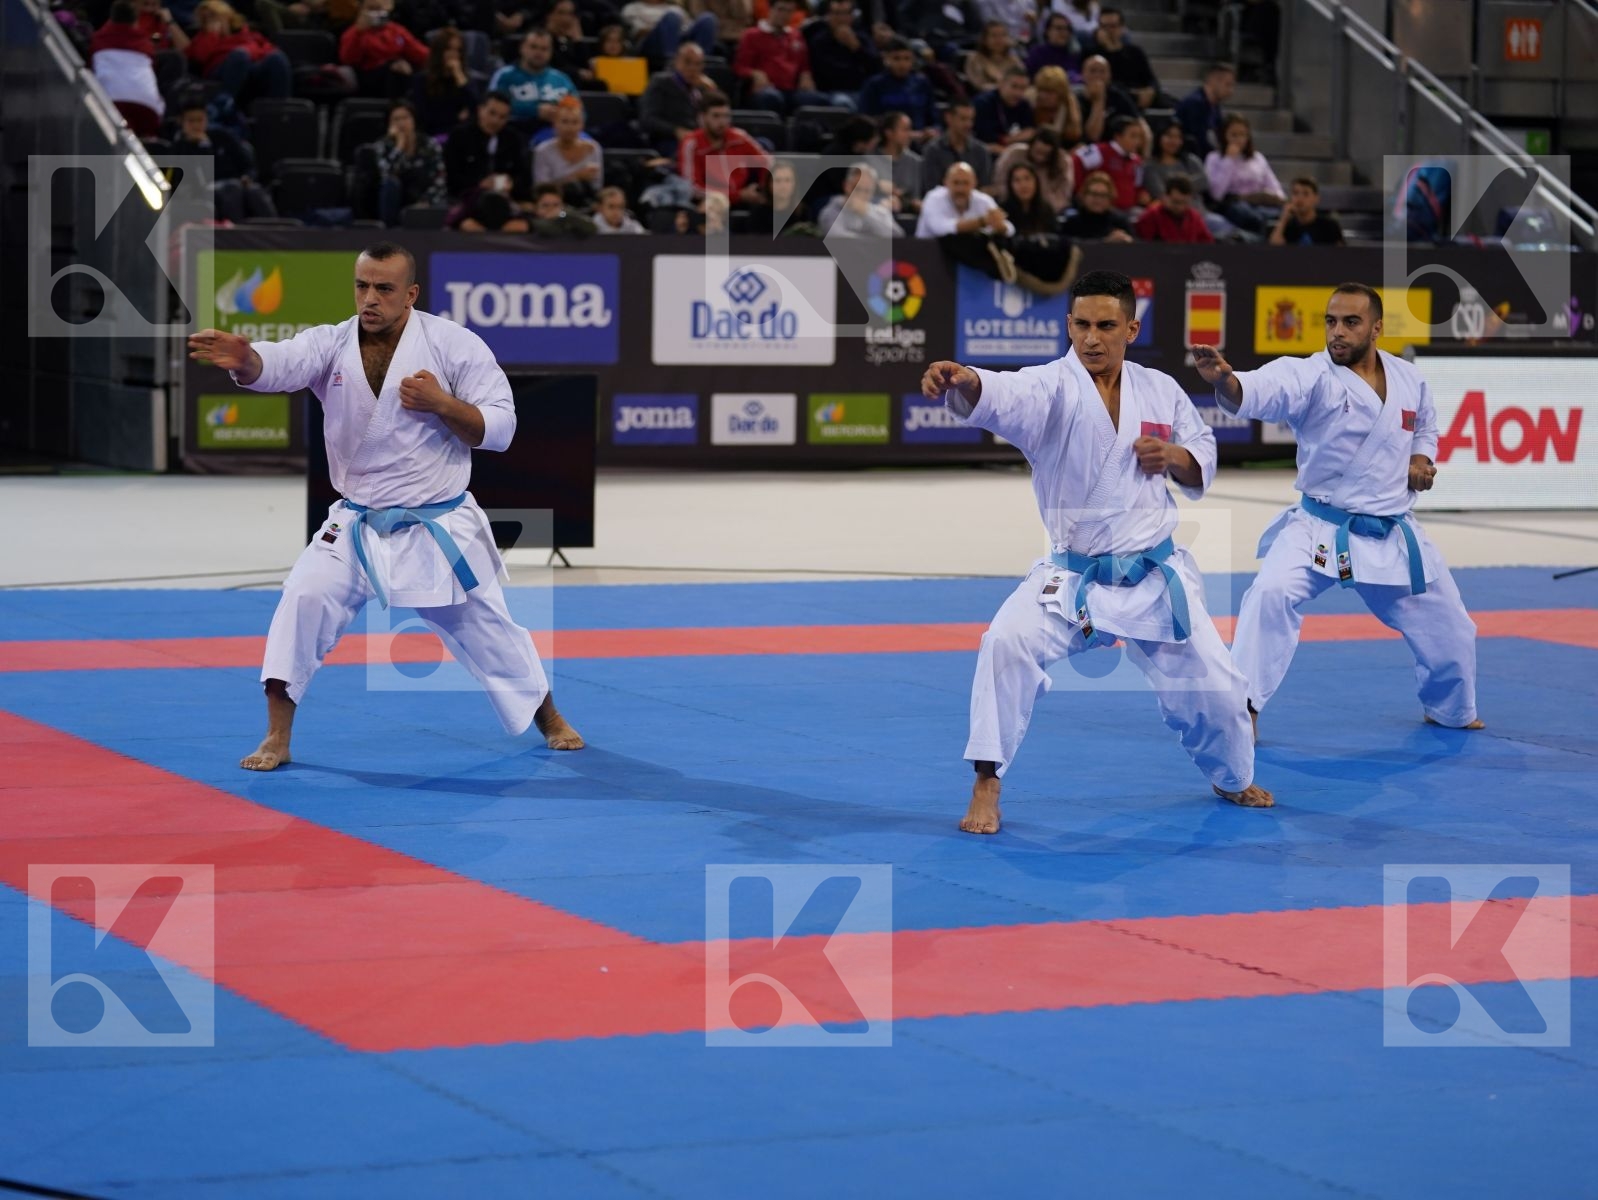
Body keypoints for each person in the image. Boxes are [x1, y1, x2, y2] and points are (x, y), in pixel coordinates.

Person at [186, 244, 584, 773]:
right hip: (355, 522)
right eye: (362, 286)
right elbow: (280, 363)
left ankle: (550, 718)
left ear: (410, 293)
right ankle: (277, 736)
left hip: (434, 524)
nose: (369, 298)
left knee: (488, 627)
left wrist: (443, 404)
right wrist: (247, 360)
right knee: (302, 601)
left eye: (384, 288)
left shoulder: (452, 344)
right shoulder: (331, 343)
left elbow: (502, 428)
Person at [921, 269, 1273, 834]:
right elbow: (1005, 394)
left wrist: (1174, 457)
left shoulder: (1160, 389)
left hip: (1153, 577)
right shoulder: (1051, 387)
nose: (1091, 338)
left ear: (1131, 329)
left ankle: (1231, 777)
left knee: (1221, 689)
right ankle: (987, 781)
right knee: (1005, 643)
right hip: (1076, 578)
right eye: (1081, 325)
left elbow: (1201, 451)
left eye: (1106, 326)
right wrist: (966, 380)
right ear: (1068, 325)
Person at [1194, 283, 1482, 738]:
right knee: (1270, 594)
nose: (1337, 332)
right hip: (1321, 528)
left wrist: (1420, 459)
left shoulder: (1409, 379)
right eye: (1331, 322)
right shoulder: (1312, 376)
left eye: (1351, 322)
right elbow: (1263, 388)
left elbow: (1425, 426)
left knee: (1453, 628)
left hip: (1391, 532)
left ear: (1377, 328)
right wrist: (1227, 382)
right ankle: (1241, 709)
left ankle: (1449, 707)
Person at [171, 99, 277, 221]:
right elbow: (187, 179)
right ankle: (235, 230)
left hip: (236, 183)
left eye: (200, 120)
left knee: (254, 191)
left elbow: (247, 164)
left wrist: (247, 177)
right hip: (202, 190)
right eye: (191, 121)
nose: (196, 125)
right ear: (182, 122)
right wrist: (203, 147)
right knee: (231, 189)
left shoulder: (222, 136)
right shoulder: (179, 147)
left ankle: (275, 227)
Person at [916, 161, 1017, 283]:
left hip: (970, 267)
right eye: (956, 183)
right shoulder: (933, 198)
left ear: (974, 183)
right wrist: (982, 222)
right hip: (930, 259)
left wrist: (1000, 226)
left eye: (965, 183)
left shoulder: (983, 200)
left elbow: (1009, 229)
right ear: (945, 182)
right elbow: (941, 228)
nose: (960, 189)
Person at [677, 90, 771, 207]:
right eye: (716, 116)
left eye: (726, 116)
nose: (722, 122)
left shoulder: (739, 137)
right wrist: (737, 196)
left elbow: (767, 162)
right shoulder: (691, 143)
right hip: (710, 204)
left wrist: (762, 189)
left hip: (744, 198)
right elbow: (692, 188)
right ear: (703, 117)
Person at [187, 0, 291, 104]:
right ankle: (224, 104)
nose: (212, 21)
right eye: (206, 19)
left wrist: (249, 51)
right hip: (221, 69)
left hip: (250, 66)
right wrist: (212, 35)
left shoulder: (246, 34)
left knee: (277, 57)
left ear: (226, 16)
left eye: (214, 16)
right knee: (239, 55)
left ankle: (279, 107)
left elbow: (266, 48)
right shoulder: (202, 38)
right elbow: (200, 57)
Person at [734, 0, 827, 113]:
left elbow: (804, 66)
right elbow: (740, 67)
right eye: (781, 10)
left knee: (819, 100)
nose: (784, 15)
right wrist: (754, 74)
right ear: (770, 10)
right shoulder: (751, 35)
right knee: (771, 98)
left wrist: (806, 75)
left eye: (789, 11)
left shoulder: (796, 36)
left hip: (792, 90)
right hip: (765, 89)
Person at [443, 91, 532, 203]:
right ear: (480, 110)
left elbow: (524, 176)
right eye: (492, 113)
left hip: (505, 200)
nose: (495, 121)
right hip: (465, 200)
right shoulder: (459, 136)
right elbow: (451, 176)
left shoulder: (513, 139)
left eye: (502, 117)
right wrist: (479, 184)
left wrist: (512, 183)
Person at [1204, 113, 1284, 235]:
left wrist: (1276, 198)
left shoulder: (1257, 158)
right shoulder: (1214, 158)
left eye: (1242, 135)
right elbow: (1216, 194)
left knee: (1281, 215)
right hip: (1233, 203)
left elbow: (1275, 187)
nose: (1239, 140)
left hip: (1259, 202)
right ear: (1224, 136)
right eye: (1234, 135)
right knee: (1249, 216)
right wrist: (1229, 160)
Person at [371, 98, 448, 225]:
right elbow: (387, 176)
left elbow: (439, 180)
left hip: (425, 201)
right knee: (390, 184)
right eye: (396, 119)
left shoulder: (429, 145)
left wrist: (425, 201)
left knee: (442, 204)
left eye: (405, 117)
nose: (401, 123)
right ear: (389, 124)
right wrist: (399, 147)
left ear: (414, 120)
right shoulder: (382, 146)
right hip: (395, 204)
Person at [488, 28, 577, 134]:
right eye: (533, 47)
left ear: (551, 52)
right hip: (515, 132)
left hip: (558, 134)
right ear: (522, 48)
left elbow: (580, 112)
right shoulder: (505, 75)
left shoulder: (562, 79)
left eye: (544, 49)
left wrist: (560, 114)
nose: (538, 53)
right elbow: (493, 107)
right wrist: (535, 110)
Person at [339, 0, 428, 99]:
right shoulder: (354, 33)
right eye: (371, 9)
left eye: (380, 9)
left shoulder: (396, 30)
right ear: (361, 10)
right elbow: (348, 59)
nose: (377, 13)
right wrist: (359, 32)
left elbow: (419, 52)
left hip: (397, 76)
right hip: (366, 77)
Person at [638, 42, 708, 156]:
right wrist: (676, 131)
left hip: (699, 142)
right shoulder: (661, 83)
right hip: (668, 142)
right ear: (677, 61)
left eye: (698, 64)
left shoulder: (703, 87)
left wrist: (713, 91)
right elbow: (648, 120)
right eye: (687, 62)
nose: (692, 68)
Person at [857, 37, 937, 135]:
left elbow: (934, 119)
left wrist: (931, 131)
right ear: (886, 58)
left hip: (920, 139)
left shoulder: (922, 83)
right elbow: (865, 119)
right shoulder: (874, 85)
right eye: (896, 58)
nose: (902, 64)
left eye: (907, 58)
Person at [532, 95, 603, 204]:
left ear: (582, 125)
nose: (570, 127)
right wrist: (576, 176)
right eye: (565, 121)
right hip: (554, 207)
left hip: (585, 206)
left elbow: (597, 187)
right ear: (555, 124)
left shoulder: (593, 148)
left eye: (575, 122)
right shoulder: (543, 151)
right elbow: (542, 190)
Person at [806, 0, 879, 103]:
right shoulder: (818, 41)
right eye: (836, 13)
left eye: (845, 13)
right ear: (828, 16)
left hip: (861, 90)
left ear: (852, 16)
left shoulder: (862, 38)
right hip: (830, 92)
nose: (841, 18)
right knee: (843, 102)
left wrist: (856, 47)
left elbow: (876, 66)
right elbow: (823, 72)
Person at [412, 28, 477, 138]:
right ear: (439, 52)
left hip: (460, 137)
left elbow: (475, 111)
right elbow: (424, 117)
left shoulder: (463, 80)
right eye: (449, 49)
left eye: (458, 50)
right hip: (432, 137)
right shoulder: (422, 80)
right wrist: (456, 117)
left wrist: (458, 74)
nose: (454, 55)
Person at [1071, 113, 1145, 210]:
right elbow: (1076, 162)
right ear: (1118, 136)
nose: (1137, 142)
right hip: (1101, 210)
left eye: (1139, 137)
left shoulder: (1137, 161)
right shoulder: (1099, 151)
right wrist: (1080, 192)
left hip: (1128, 211)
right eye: (1133, 136)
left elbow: (1138, 186)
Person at [1090, 6, 1158, 108]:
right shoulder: (1092, 54)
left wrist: (1150, 90)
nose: (1108, 31)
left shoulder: (1135, 52)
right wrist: (1109, 47)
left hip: (1141, 96)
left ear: (1121, 28)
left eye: (1113, 26)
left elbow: (1151, 79)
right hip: (1114, 100)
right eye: (1104, 27)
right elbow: (1107, 82)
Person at [919, 98, 993, 192]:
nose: (968, 124)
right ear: (948, 118)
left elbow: (984, 187)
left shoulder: (981, 151)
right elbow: (931, 189)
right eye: (963, 119)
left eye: (971, 119)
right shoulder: (933, 150)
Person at [993, 128, 1074, 212]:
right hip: (1012, 206)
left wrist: (1042, 208)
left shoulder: (1062, 162)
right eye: (1038, 152)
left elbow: (1063, 195)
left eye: (1046, 154)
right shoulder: (1014, 154)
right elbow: (1000, 183)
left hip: (1048, 210)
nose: (1040, 158)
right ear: (1030, 146)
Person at [1075, 53, 1139, 143]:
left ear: (1109, 75)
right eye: (1092, 71)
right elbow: (1093, 136)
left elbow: (1140, 125)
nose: (1097, 76)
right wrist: (1099, 100)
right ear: (1083, 74)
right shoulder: (1075, 99)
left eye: (1102, 71)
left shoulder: (1119, 96)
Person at [973, 64, 1036, 152]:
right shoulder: (983, 103)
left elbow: (1030, 132)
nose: (1018, 93)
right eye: (1014, 86)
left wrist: (1007, 140)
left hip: (1011, 150)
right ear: (1001, 83)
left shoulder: (1023, 104)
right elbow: (985, 139)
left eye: (1023, 88)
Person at [1175, 62, 1234, 157]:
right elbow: (1197, 141)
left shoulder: (1215, 106)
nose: (1231, 91)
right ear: (1213, 81)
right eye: (1228, 85)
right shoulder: (1194, 103)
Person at [1132, 173, 1211, 242]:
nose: (1180, 207)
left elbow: (1207, 243)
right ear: (1165, 197)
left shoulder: (1194, 217)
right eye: (1176, 202)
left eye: (1185, 203)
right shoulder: (1151, 216)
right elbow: (1142, 246)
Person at [1060, 169, 1133, 241]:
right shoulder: (1072, 223)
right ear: (1084, 195)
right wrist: (1106, 242)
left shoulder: (1120, 222)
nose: (1098, 199)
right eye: (1094, 194)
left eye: (1103, 195)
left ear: (1110, 198)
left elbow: (1135, 243)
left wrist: (1127, 241)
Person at [1269, 176, 1345, 245]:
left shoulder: (1329, 226)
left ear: (1316, 198)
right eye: (1295, 193)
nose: (1300, 198)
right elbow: (1275, 249)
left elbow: (1340, 252)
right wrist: (1284, 219)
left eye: (1306, 194)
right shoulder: (1287, 226)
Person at [877, 111, 924, 213]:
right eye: (905, 130)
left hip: (907, 215)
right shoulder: (870, 160)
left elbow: (916, 198)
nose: (910, 134)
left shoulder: (916, 162)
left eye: (910, 130)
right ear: (889, 133)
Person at [1029, 65, 1083, 147]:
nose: (1043, 96)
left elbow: (1075, 134)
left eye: (1049, 92)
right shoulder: (1032, 105)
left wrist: (1062, 112)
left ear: (1061, 94)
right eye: (1041, 90)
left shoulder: (1069, 103)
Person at [964, 20, 1023, 94]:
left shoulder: (1013, 60)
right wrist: (1003, 87)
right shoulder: (974, 59)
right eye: (994, 36)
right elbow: (979, 85)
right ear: (985, 39)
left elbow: (1022, 80)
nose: (999, 40)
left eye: (1003, 35)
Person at [1024, 13, 1079, 78]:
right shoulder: (1037, 53)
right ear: (1048, 31)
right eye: (1059, 28)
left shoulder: (1072, 54)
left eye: (1067, 29)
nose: (1064, 32)